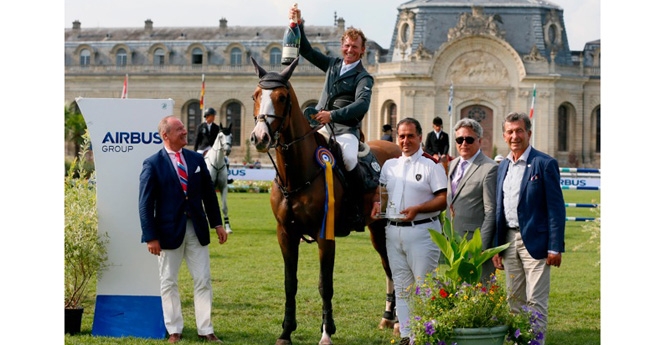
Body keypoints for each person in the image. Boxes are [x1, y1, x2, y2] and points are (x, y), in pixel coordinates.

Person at [139, 116, 228, 344]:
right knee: (168, 281)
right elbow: (145, 204)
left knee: (203, 280)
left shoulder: (197, 159)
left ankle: (206, 329)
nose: (185, 132)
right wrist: (151, 237)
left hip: (197, 230)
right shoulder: (152, 164)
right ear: (165, 135)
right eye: (179, 129)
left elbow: (209, 195)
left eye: (184, 129)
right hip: (167, 234)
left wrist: (217, 224)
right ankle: (174, 329)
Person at [292, 5, 373, 230]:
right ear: (342, 46)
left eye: (355, 47)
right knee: (301, 151)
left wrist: (333, 115)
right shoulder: (332, 65)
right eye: (346, 45)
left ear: (362, 50)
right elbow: (306, 51)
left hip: (346, 131)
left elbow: (361, 105)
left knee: (348, 159)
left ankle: (355, 210)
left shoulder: (364, 77)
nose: (350, 50)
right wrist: (299, 25)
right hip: (321, 126)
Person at [371, 117, 448, 345]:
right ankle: (407, 336)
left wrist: (419, 209)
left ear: (420, 137)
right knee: (403, 288)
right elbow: (382, 194)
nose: (405, 140)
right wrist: (378, 205)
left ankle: (424, 335)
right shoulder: (390, 166)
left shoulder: (431, 165)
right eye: (401, 136)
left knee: (424, 286)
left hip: (422, 231)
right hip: (393, 232)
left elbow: (443, 199)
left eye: (410, 136)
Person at [491, 112, 565, 344]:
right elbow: (498, 210)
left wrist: (555, 247)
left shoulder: (545, 164)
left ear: (529, 133)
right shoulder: (502, 166)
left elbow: (556, 209)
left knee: (535, 302)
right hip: (509, 241)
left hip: (536, 242)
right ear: (504, 136)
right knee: (514, 301)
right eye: (510, 132)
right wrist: (496, 248)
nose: (515, 136)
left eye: (519, 131)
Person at [446, 118, 498, 282]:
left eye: (469, 139)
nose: (464, 143)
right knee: (458, 294)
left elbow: (491, 212)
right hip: (454, 243)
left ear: (480, 141)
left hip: (475, 245)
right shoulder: (453, 164)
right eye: (459, 139)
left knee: (479, 294)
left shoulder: (489, 168)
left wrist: (481, 246)